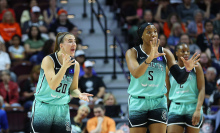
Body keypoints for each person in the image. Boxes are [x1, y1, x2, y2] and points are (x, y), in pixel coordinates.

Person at [125, 22, 200, 133]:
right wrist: (149, 58)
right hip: (138, 101)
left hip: (158, 101)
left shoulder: (165, 53)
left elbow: (180, 78)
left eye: (155, 31)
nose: (153, 34)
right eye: (149, 32)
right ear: (141, 35)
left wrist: (187, 70)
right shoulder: (132, 52)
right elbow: (136, 73)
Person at [30, 32, 93, 132]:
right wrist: (64, 67)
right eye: (70, 42)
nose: (74, 45)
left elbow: (73, 89)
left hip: (61, 108)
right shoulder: (48, 60)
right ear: (61, 45)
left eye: (75, 42)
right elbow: (53, 85)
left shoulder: (75, 65)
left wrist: (79, 94)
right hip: (44, 106)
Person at [166, 43, 205, 133]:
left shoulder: (196, 66)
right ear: (176, 53)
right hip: (175, 107)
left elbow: (202, 89)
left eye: (188, 51)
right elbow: (166, 91)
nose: (186, 53)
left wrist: (198, 110)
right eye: (183, 51)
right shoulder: (170, 68)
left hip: (192, 107)